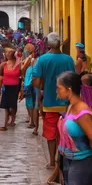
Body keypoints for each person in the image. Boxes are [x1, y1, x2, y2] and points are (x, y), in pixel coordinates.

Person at [33, 32, 75, 170]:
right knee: (66, 132)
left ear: (48, 44)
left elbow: (37, 82)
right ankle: (62, 161)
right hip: (66, 104)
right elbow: (73, 80)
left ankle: (52, 161)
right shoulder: (68, 59)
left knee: (51, 134)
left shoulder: (43, 59)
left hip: (50, 103)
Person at [0, 46, 21, 131]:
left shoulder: (18, 64)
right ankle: (5, 123)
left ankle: (12, 119)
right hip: (6, 87)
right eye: (6, 52)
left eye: (9, 52)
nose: (7, 54)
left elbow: (21, 75)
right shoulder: (3, 65)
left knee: (13, 105)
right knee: (6, 106)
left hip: (15, 87)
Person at [22, 46, 40, 135]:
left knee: (32, 103)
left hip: (32, 82)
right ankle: (32, 121)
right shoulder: (39, 60)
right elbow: (23, 69)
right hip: (32, 82)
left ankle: (33, 122)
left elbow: (23, 68)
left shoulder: (36, 60)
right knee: (32, 102)